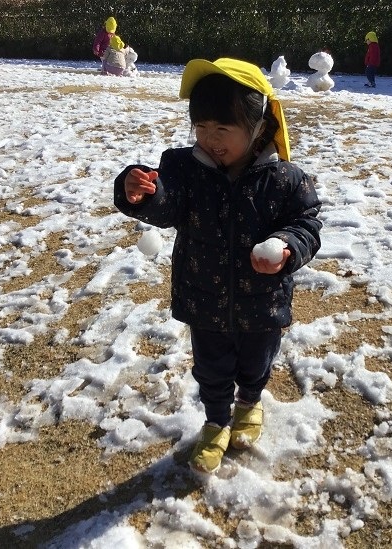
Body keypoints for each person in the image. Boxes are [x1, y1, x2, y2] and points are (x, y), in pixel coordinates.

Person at [113, 58, 322, 474]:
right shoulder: (184, 168)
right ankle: (215, 421)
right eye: (202, 128)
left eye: (222, 129)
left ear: (259, 127)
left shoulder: (285, 178)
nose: (210, 139)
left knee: (256, 363)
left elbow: (306, 224)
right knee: (211, 367)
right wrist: (140, 194)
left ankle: (249, 404)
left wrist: (285, 246)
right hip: (203, 296)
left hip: (262, 300)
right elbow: (168, 203)